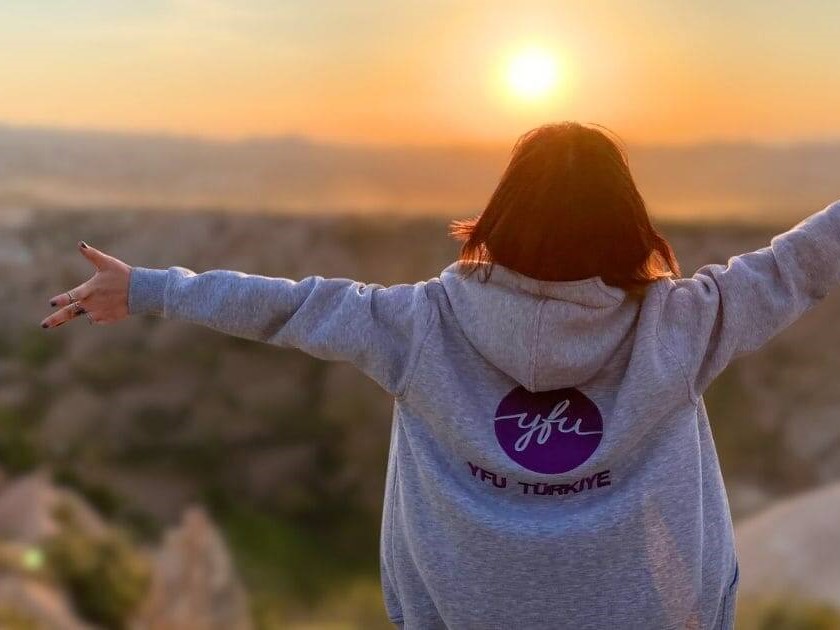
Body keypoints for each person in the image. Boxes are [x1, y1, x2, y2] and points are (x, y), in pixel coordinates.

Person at [39, 121, 840, 629]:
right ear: (629, 223)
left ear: (500, 217)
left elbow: (284, 306)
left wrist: (148, 286)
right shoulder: (684, 325)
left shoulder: (419, 326)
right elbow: (801, 263)